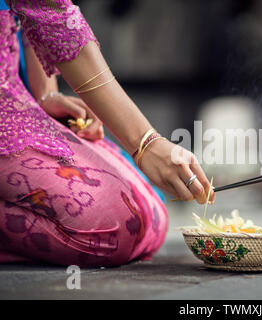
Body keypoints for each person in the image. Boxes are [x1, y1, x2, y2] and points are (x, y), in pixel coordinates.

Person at [0, 0, 214, 267]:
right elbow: (53, 15)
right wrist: (145, 142)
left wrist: (46, 93)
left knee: (149, 215)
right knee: (109, 232)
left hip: (12, 95)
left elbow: (33, 8)